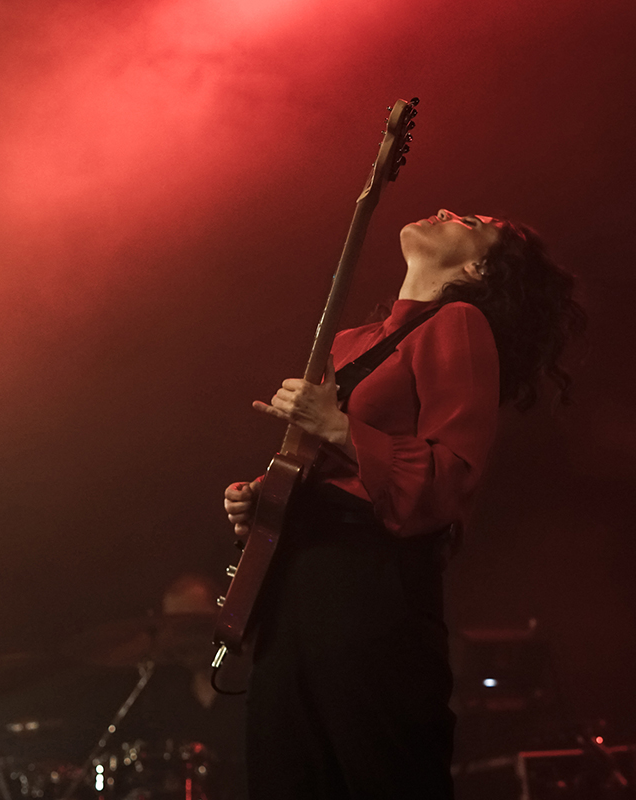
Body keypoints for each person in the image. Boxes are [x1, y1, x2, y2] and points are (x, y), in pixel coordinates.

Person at [222, 209, 584, 800]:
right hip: (296, 589)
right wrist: (266, 497)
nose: (446, 211)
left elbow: (448, 482)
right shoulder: (352, 342)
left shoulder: (459, 323)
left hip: (370, 587)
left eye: (471, 221)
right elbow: (329, 468)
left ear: (480, 267)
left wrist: (337, 427)